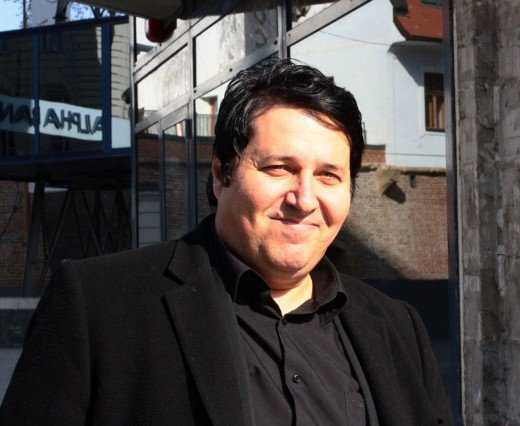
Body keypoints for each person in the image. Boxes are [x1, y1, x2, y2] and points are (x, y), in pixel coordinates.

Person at [0, 59, 452, 425]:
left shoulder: (397, 328)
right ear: (221, 175)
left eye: (329, 176)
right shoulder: (98, 307)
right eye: (279, 169)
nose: (304, 199)